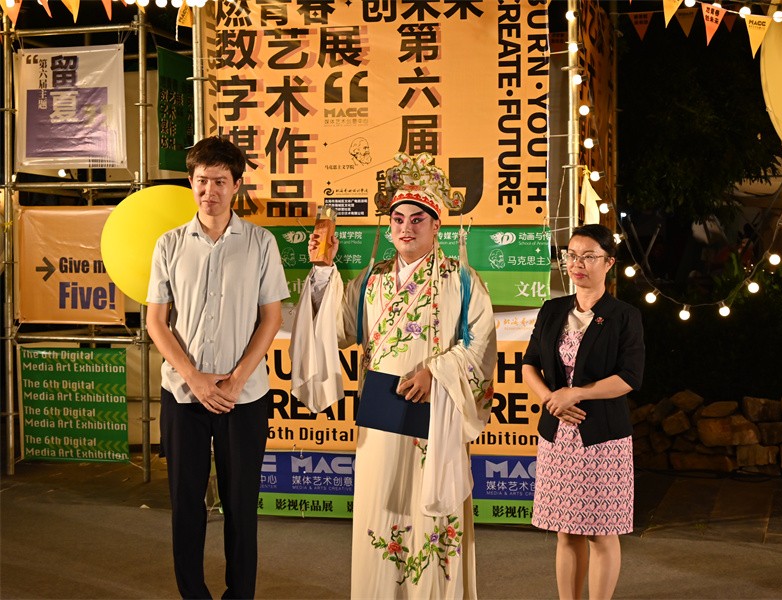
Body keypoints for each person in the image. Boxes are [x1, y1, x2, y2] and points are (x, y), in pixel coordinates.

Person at [290, 153, 497, 599]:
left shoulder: (461, 280)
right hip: (380, 422)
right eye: (398, 219)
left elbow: (481, 346)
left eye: (417, 219)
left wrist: (435, 372)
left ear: (437, 225)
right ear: (388, 227)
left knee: (430, 520)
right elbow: (337, 329)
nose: (406, 228)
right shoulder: (372, 279)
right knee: (380, 514)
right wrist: (323, 270)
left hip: (435, 420)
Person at [146, 136, 289, 599]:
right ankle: (193, 593)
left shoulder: (260, 243)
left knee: (241, 505)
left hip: (243, 397)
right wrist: (194, 378)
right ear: (191, 182)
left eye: (220, 182)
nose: (210, 191)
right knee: (186, 504)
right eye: (202, 181)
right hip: (183, 395)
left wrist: (236, 379)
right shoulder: (169, 244)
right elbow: (156, 321)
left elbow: (271, 318)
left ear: (237, 186)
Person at [522, 224, 645, 600]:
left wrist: (576, 393)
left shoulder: (624, 315)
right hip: (557, 434)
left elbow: (629, 378)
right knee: (566, 532)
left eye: (588, 256)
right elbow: (529, 364)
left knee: (601, 533)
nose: (577, 264)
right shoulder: (553, 310)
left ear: (608, 263)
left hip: (603, 437)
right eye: (572, 255)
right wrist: (551, 399)